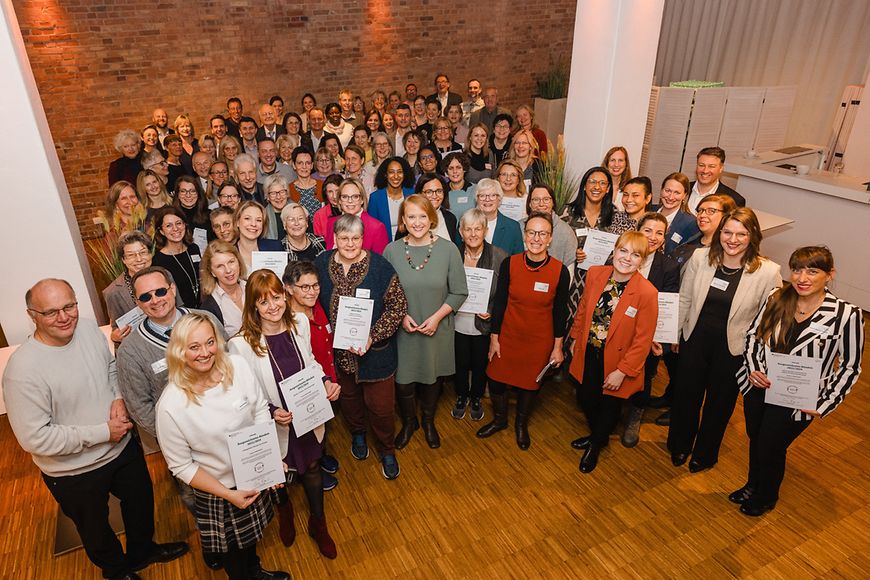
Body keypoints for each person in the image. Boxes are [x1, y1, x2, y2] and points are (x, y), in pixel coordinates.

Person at [4, 279, 188, 580]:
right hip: (73, 471)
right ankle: (116, 572)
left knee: (140, 504)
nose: (64, 317)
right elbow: (34, 437)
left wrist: (117, 395)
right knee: (95, 529)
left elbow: (110, 368)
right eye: (51, 312)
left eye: (69, 306)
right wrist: (105, 432)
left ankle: (142, 553)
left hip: (121, 447)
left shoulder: (88, 329)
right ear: (32, 315)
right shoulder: (22, 371)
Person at [155, 313, 291, 580]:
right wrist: (228, 494)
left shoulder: (237, 366)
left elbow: (260, 409)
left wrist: (270, 456)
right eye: (194, 347)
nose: (205, 353)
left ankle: (255, 571)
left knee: (251, 540)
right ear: (179, 352)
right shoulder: (170, 405)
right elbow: (181, 466)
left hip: (254, 473)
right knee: (232, 554)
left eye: (209, 342)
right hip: (218, 490)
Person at [736, 246, 864, 516]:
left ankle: (766, 495)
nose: (802, 278)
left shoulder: (846, 315)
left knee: (771, 444)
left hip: (798, 397)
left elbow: (851, 366)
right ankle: (753, 484)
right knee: (756, 437)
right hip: (759, 386)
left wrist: (825, 402)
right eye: (797, 270)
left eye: (812, 271)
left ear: (830, 275)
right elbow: (752, 336)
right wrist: (755, 368)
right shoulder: (776, 297)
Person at [228, 271, 340, 559]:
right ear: (253, 306)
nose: (273, 306)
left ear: (285, 296)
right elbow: (244, 393)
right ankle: (285, 512)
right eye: (263, 302)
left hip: (308, 414)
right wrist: (272, 411)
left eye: (277, 298)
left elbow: (312, 362)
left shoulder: (299, 323)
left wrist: (326, 381)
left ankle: (318, 522)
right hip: (274, 423)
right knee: (278, 474)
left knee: (313, 466)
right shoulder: (241, 344)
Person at [667, 208, 782, 473]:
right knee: (686, 396)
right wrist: (675, 333)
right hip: (694, 338)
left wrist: (760, 360)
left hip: (733, 349)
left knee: (719, 404)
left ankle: (705, 453)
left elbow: (769, 321)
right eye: (727, 232)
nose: (733, 239)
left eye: (741, 234)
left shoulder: (768, 271)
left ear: (753, 236)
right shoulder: (700, 258)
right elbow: (684, 297)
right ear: (720, 233)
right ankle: (679, 444)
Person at [315, 214, 408, 479]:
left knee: (381, 407)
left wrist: (372, 336)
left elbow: (398, 306)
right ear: (335, 238)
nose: (350, 243)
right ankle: (358, 434)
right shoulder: (321, 263)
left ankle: (387, 449)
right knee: (350, 399)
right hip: (338, 354)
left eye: (355, 238)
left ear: (363, 239)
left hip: (375, 354)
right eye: (344, 238)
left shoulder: (379, 266)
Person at [568, 231, 658, 472]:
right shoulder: (597, 274)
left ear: (643, 260)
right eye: (623, 250)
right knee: (585, 398)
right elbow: (584, 307)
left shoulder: (647, 292)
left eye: (636, 254)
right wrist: (575, 337)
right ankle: (599, 434)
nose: (627, 258)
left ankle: (596, 443)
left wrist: (623, 371)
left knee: (609, 405)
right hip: (588, 352)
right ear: (615, 251)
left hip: (617, 361)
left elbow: (643, 340)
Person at [383, 195, 468, 449]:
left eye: (422, 216)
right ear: (403, 221)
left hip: (437, 328)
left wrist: (437, 317)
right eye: (411, 216)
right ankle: (410, 422)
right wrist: (400, 317)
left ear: (431, 218)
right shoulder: (392, 250)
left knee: (433, 379)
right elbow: (386, 293)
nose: (417, 222)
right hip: (404, 330)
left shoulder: (449, 249)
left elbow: (459, 291)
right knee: (404, 382)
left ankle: (428, 421)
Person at [479, 212, 569, 449]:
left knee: (529, 385)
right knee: (496, 381)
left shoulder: (560, 271)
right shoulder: (510, 263)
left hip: (539, 340)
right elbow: (500, 303)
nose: (536, 238)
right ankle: (500, 420)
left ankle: (521, 424)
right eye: (531, 232)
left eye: (542, 233)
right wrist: (494, 338)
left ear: (550, 238)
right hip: (508, 335)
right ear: (525, 235)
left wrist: (557, 348)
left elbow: (561, 313)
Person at [650, 194, 738, 425]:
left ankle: (679, 406)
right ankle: (671, 397)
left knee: (685, 370)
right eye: (701, 210)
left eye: (711, 211)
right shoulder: (691, 243)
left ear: (726, 217)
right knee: (673, 363)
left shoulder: (725, 253)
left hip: (697, 322)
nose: (703, 215)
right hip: (673, 312)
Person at [619, 213, 680, 448]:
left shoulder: (668, 267)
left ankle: (635, 416)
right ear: (638, 230)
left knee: (644, 376)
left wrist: (660, 340)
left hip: (648, 335)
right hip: (617, 329)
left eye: (659, 233)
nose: (652, 237)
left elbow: (667, 305)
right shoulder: (621, 255)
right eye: (648, 230)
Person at [282, 261, 341, 490]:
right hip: (305, 387)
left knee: (322, 424)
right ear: (288, 288)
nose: (312, 291)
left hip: (327, 378)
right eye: (304, 287)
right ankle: (312, 467)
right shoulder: (287, 321)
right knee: (308, 430)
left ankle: (322, 453)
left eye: (315, 285)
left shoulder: (317, 306)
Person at [452, 208, 507, 421]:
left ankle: (475, 397)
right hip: (457, 321)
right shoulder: (453, 254)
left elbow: (504, 294)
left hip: (483, 323)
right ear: (461, 231)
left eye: (478, 229)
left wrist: (491, 311)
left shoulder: (499, 256)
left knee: (479, 363)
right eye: (468, 229)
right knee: (460, 362)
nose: (473, 234)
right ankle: (461, 396)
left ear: (485, 230)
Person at [564, 166, 635, 324]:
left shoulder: (616, 216)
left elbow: (623, 249)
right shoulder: (567, 212)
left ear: (608, 188)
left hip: (603, 284)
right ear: (584, 185)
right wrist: (572, 252)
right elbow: (557, 245)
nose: (597, 187)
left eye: (602, 183)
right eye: (593, 182)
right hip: (572, 282)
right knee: (566, 327)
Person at [103, 230, 154, 344]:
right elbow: (116, 329)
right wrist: (116, 337)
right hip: (142, 347)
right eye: (131, 255)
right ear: (123, 260)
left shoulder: (166, 275)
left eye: (143, 252)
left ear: (150, 254)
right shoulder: (113, 292)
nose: (139, 259)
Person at [151, 207, 202, 308]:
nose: (175, 228)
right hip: (181, 313)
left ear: (185, 225)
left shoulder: (193, 248)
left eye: (178, 223)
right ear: (161, 231)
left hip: (203, 306)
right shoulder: (158, 261)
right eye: (168, 225)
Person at [521, 185, 577, 274]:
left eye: (546, 199)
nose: (541, 204)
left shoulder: (566, 232)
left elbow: (569, 270)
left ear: (553, 203)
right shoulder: (518, 227)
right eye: (536, 200)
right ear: (529, 204)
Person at [324, 178, 388, 253]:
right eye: (345, 197)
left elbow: (380, 262)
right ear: (339, 200)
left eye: (355, 197)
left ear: (362, 200)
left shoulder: (376, 227)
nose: (350, 201)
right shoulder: (331, 223)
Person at [199, 241, 246, 336]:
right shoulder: (209, 307)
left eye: (231, 262)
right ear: (212, 272)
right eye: (220, 266)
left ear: (239, 262)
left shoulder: (252, 288)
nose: (228, 270)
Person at [368, 156, 415, 241]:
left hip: (410, 244)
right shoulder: (375, 198)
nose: (396, 176)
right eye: (391, 172)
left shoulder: (413, 194)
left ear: (404, 174)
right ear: (385, 174)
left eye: (400, 172)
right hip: (383, 247)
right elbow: (371, 229)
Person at [474, 178, 524, 255]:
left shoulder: (513, 227)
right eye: (482, 195)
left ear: (499, 199)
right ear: (477, 199)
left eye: (493, 195)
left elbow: (518, 260)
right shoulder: (466, 223)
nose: (487, 199)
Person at [687, 146, 746, 211]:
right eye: (701, 165)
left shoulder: (735, 200)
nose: (705, 171)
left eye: (711, 166)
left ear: (721, 168)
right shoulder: (683, 188)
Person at [654, 172, 699, 256]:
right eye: (668, 191)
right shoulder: (649, 211)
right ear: (661, 190)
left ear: (685, 196)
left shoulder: (690, 223)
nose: (671, 197)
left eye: (677, 193)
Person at [233, 200, 283, 275]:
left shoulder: (275, 247)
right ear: (237, 222)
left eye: (259, 220)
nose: (253, 224)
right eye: (247, 218)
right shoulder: (229, 252)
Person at [412, 173, 459, 244]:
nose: (434, 196)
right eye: (429, 192)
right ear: (419, 194)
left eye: (439, 191)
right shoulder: (410, 219)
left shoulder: (450, 218)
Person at [443, 151, 474, 218]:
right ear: (446, 171)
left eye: (458, 167)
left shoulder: (476, 189)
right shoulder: (441, 191)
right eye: (451, 168)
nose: (455, 171)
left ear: (464, 169)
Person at [312, 174, 344, 240]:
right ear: (326, 193)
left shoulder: (351, 210)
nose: (334, 196)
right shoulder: (319, 215)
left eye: (337, 191)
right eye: (330, 192)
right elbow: (319, 243)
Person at [602, 146, 632, 211]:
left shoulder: (631, 188)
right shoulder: (599, 186)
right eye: (612, 160)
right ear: (607, 164)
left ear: (626, 164)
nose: (616, 164)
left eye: (620, 160)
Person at [263, 174, 291, 240]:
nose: (278, 197)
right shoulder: (263, 217)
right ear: (267, 197)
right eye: (273, 193)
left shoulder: (299, 212)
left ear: (287, 193)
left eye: (282, 192)